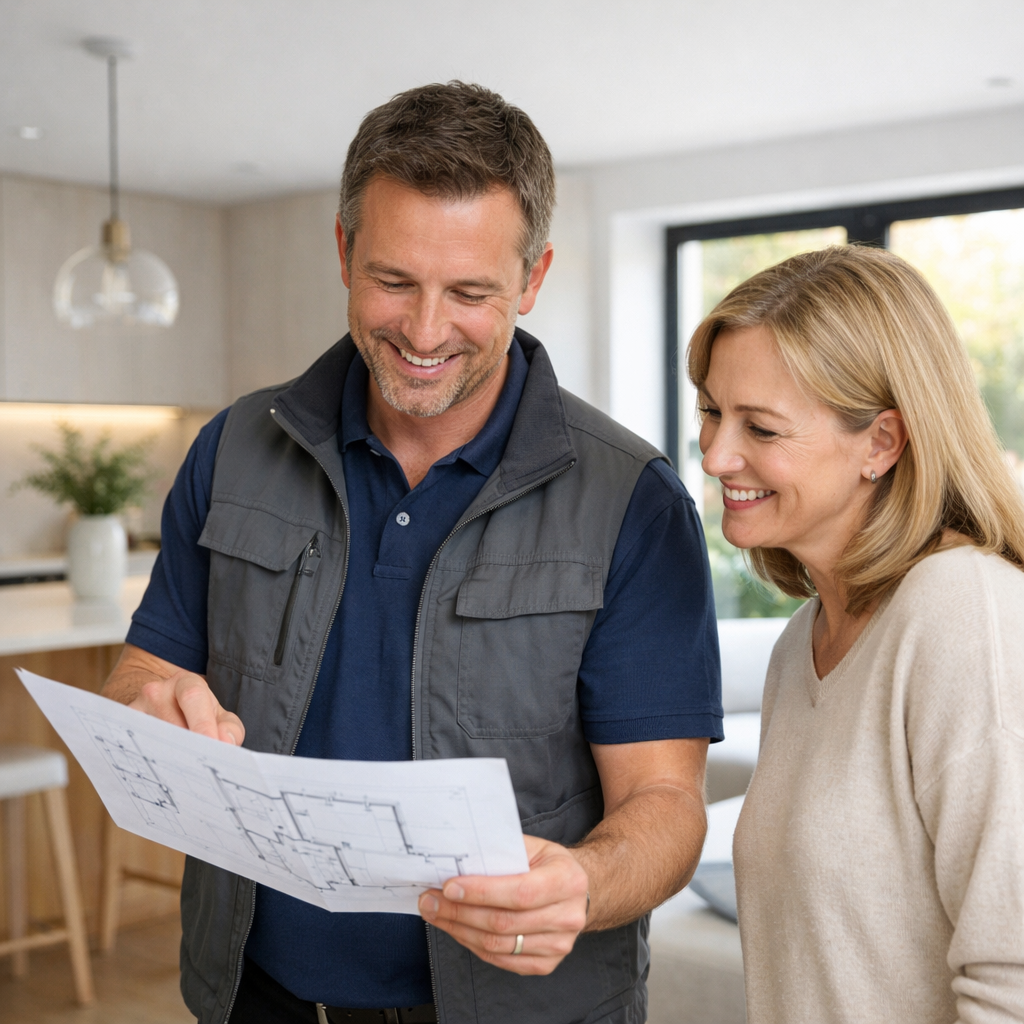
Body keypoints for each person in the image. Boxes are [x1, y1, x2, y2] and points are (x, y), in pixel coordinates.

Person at [102, 82, 722, 1024]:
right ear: (344, 250)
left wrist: (586, 884)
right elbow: (144, 671)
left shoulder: (632, 499)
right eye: (393, 281)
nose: (425, 332)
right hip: (252, 999)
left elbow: (667, 802)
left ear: (533, 278)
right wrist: (145, 711)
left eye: (471, 292)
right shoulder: (232, 449)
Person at [688, 244, 1024, 1023]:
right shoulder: (799, 647)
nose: (715, 455)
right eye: (711, 411)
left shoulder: (964, 614)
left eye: (760, 427)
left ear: (881, 442)